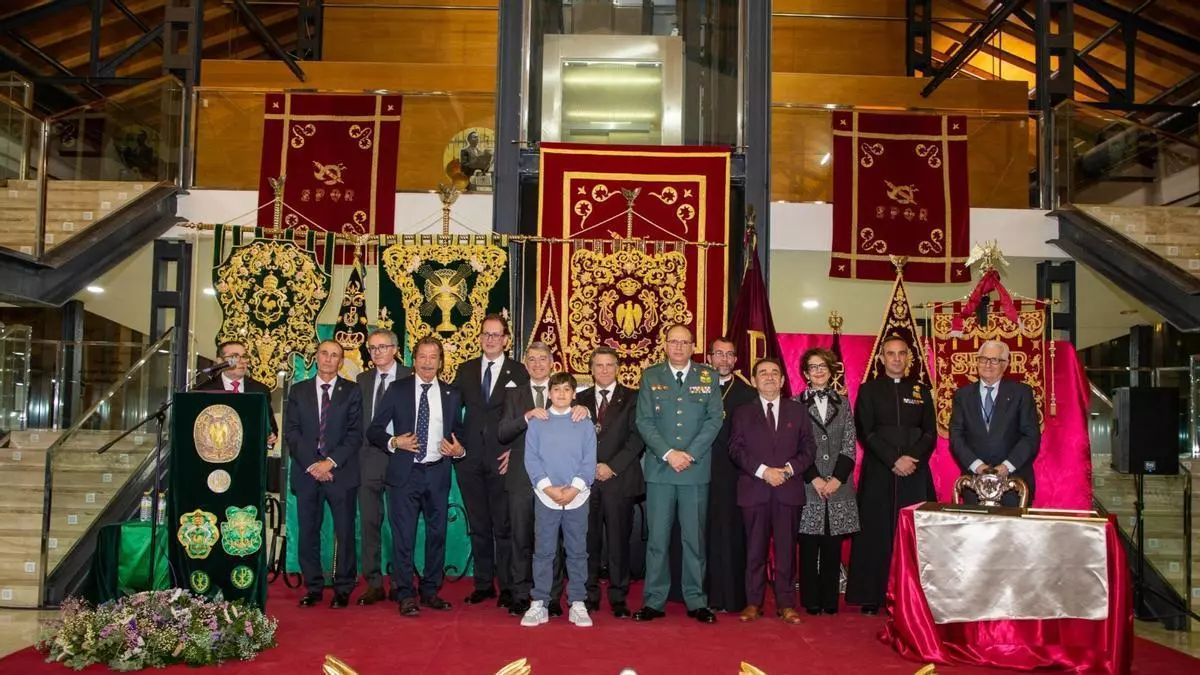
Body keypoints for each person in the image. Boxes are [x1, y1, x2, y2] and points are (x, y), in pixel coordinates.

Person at [366, 336, 467, 617]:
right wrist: (394, 441)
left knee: (437, 534)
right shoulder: (397, 390)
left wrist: (459, 449)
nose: (427, 362)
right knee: (403, 537)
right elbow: (374, 430)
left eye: (433, 357)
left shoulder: (452, 394)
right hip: (405, 474)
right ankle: (405, 594)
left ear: (440, 362)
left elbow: (460, 433)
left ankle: (430, 590)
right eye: (422, 356)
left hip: (437, 473)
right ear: (414, 360)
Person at [633, 324, 724, 624]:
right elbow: (644, 421)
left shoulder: (708, 377)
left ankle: (696, 600)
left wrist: (690, 454)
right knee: (657, 540)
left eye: (685, 342)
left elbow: (714, 420)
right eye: (673, 341)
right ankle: (654, 601)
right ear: (665, 345)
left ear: (693, 346)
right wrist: (669, 453)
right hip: (661, 470)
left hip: (694, 471)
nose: (679, 347)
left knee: (694, 540)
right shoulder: (651, 376)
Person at [846, 336, 936, 615]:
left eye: (901, 353)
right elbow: (866, 431)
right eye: (891, 354)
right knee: (875, 532)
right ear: (881, 358)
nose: (896, 359)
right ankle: (871, 596)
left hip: (914, 472)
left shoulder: (921, 390)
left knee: (913, 535)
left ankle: (913, 597)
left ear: (909, 357)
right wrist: (893, 459)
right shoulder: (869, 390)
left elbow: (930, 433)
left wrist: (910, 459)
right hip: (879, 471)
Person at [497, 342, 589, 617]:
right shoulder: (514, 394)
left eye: (543, 359)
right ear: (525, 364)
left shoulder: (561, 392)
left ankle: (553, 596)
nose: (538, 364)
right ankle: (520, 594)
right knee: (521, 537)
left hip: (558, 479)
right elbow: (503, 432)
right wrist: (526, 417)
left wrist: (585, 410)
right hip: (521, 475)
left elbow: (578, 425)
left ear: (552, 363)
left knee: (555, 540)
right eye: (532, 359)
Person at [728, 358, 815, 625]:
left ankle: (786, 604)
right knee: (754, 550)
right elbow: (735, 449)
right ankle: (753, 603)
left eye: (774, 373)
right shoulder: (742, 412)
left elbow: (809, 449)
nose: (769, 377)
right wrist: (764, 471)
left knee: (786, 551)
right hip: (755, 490)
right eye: (763, 373)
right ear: (754, 381)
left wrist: (787, 471)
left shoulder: (798, 411)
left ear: (783, 381)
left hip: (788, 491)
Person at [452, 314, 527, 608]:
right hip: (469, 460)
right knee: (479, 525)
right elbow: (451, 410)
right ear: (480, 337)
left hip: (503, 459)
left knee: (504, 527)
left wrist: (516, 452)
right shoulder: (466, 370)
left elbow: (528, 416)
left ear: (506, 340)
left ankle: (507, 586)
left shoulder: (518, 372)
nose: (491, 339)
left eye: (496, 335)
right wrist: (455, 443)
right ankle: (483, 584)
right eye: (486, 334)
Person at [284, 340, 363, 609]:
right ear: (316, 357)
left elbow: (355, 434)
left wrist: (329, 463)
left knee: (345, 532)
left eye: (335, 355)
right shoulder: (299, 390)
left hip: (341, 473)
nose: (329, 359)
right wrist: (313, 465)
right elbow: (292, 432)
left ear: (341, 361)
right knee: (308, 532)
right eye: (324, 353)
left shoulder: (352, 391)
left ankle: (343, 588)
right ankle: (313, 587)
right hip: (307, 473)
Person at [519, 371, 598, 628]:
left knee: (577, 552)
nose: (561, 394)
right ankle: (539, 602)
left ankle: (577, 602)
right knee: (543, 551)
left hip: (578, 497)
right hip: (546, 497)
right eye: (556, 389)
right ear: (549, 393)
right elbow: (531, 459)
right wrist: (548, 488)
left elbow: (589, 460)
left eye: (566, 389)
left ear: (574, 394)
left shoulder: (584, 423)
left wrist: (574, 489)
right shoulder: (537, 423)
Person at [576, 346, 644, 618]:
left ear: (617, 368)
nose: (604, 370)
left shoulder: (633, 398)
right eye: (599, 365)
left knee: (618, 543)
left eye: (609, 365)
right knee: (588, 542)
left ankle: (618, 598)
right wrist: (589, 467)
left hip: (619, 479)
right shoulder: (578, 399)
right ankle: (589, 596)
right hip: (586, 481)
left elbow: (637, 438)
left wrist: (611, 467)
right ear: (591, 370)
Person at [796, 347, 860, 616]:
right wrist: (814, 478)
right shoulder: (795, 404)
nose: (818, 371)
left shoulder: (843, 403)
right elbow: (795, 446)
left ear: (831, 371)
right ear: (805, 373)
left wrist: (836, 479)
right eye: (813, 367)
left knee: (833, 545)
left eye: (823, 366)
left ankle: (830, 601)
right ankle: (811, 600)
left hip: (838, 485)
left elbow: (849, 444)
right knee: (808, 545)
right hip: (808, 484)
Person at [355, 329, 412, 605]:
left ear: (395, 349)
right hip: (369, 459)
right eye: (372, 348)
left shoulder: (411, 376)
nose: (377, 352)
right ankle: (374, 583)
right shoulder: (362, 380)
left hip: (402, 456)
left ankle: (402, 582)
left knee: (401, 522)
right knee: (369, 522)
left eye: (382, 347)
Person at [949, 340, 1041, 506]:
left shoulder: (1021, 393)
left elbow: (1031, 436)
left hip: (1013, 484)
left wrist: (1006, 467)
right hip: (974, 484)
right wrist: (978, 467)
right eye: (983, 359)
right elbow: (956, 436)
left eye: (994, 360)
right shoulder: (962, 395)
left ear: (1005, 365)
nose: (988, 365)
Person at [704, 337, 757, 613]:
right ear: (709, 358)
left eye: (729, 354)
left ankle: (732, 596)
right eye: (719, 354)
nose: (724, 360)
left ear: (736, 360)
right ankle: (702, 594)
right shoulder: (697, 387)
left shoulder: (748, 393)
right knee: (702, 534)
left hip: (734, 474)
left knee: (730, 534)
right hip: (700, 470)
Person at [195, 340, 278, 446]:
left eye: (244, 356)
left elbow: (270, 425)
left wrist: (271, 437)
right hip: (215, 450)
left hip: (250, 451)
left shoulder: (260, 390)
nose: (242, 361)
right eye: (234, 357)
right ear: (220, 361)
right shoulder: (204, 390)